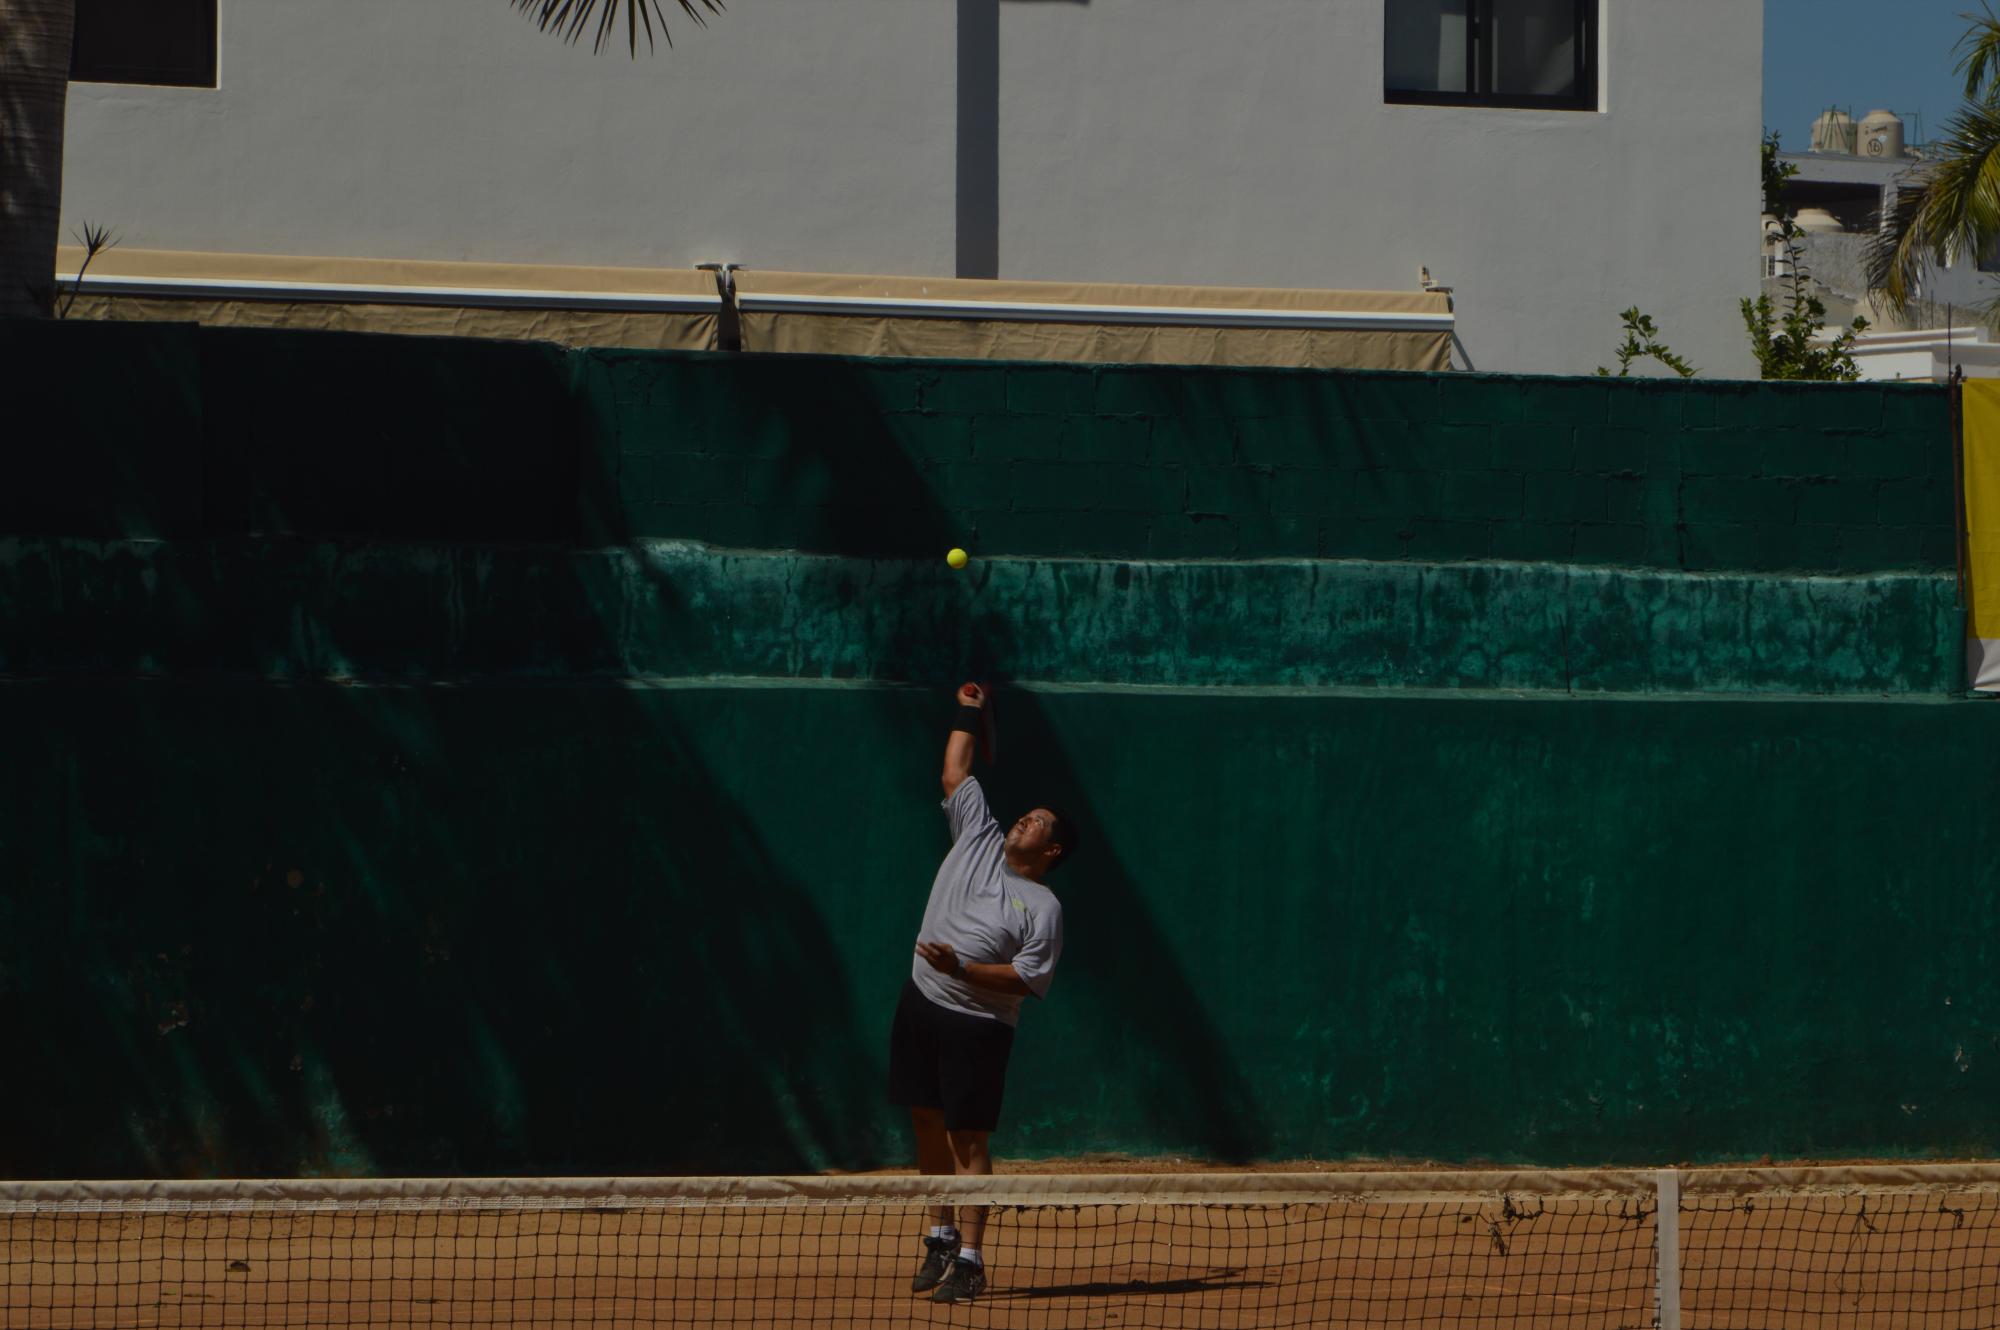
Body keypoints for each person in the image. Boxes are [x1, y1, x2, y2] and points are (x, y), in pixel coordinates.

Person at [888, 681, 1076, 1305]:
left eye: (1038, 823)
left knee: (968, 1140)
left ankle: (970, 1258)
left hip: (978, 1024)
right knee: (924, 1121)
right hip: (921, 1001)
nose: (1025, 818)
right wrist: (969, 708)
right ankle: (938, 1234)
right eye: (1026, 813)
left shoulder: (1042, 906)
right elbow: (954, 768)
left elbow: (1027, 977)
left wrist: (964, 968)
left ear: (1049, 850)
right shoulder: (976, 834)